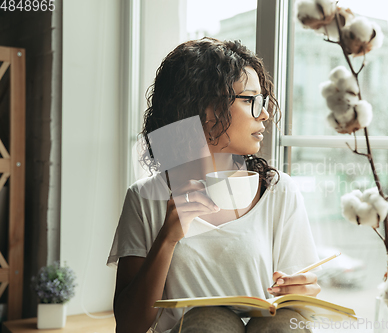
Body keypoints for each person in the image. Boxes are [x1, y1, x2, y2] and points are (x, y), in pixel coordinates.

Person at [107, 37, 320, 333]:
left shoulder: (279, 191)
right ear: (206, 110)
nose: (265, 113)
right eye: (250, 100)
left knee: (284, 325)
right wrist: (167, 238)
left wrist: (303, 292)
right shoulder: (145, 198)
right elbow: (129, 326)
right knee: (208, 323)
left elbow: (299, 300)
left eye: (264, 100)